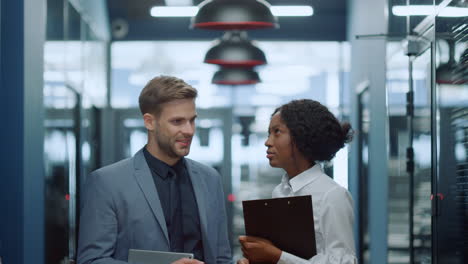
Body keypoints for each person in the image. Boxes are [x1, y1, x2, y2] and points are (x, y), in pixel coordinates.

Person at [77, 76, 232, 264]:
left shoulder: (210, 179)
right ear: (149, 122)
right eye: (177, 121)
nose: (189, 130)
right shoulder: (107, 183)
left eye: (192, 120)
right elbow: (91, 261)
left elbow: (222, 257)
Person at [238, 99, 356, 264]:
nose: (268, 142)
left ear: (302, 136)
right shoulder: (280, 191)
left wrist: (277, 256)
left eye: (277, 132)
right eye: (268, 134)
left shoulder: (333, 195)